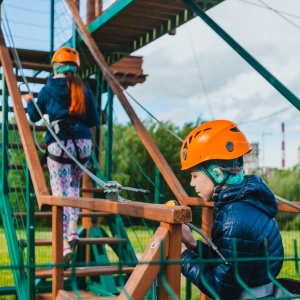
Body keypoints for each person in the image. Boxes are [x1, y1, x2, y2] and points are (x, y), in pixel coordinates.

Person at [180, 119, 284, 299]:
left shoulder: (235, 219)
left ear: (216, 172)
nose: (192, 183)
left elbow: (221, 289)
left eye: (195, 175)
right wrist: (193, 246)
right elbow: (228, 261)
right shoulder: (246, 203)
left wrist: (183, 256)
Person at [24, 46, 100, 263]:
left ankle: (64, 242)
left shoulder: (49, 88)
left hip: (59, 142)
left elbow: (35, 117)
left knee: (60, 191)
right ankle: (73, 228)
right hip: (83, 144)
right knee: (73, 187)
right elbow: (94, 120)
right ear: (75, 68)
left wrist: (29, 100)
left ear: (55, 66)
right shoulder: (83, 88)